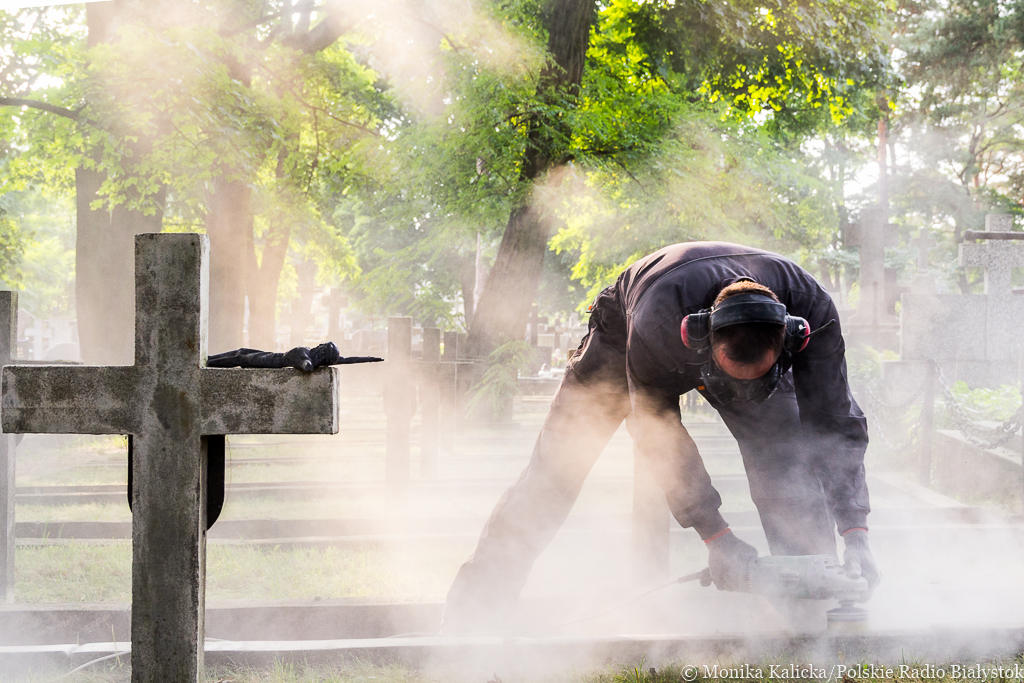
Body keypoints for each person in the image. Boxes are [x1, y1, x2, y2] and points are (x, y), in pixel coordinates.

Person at [442, 241, 879, 632]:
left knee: (787, 466)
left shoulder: (814, 312)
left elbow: (835, 424)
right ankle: (474, 614)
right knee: (555, 473)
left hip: (723, 334)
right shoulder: (658, 328)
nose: (742, 393)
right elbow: (659, 435)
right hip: (621, 337)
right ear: (703, 338)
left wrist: (856, 530)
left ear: (790, 339)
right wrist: (717, 537)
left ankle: (812, 608)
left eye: (756, 377)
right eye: (734, 376)